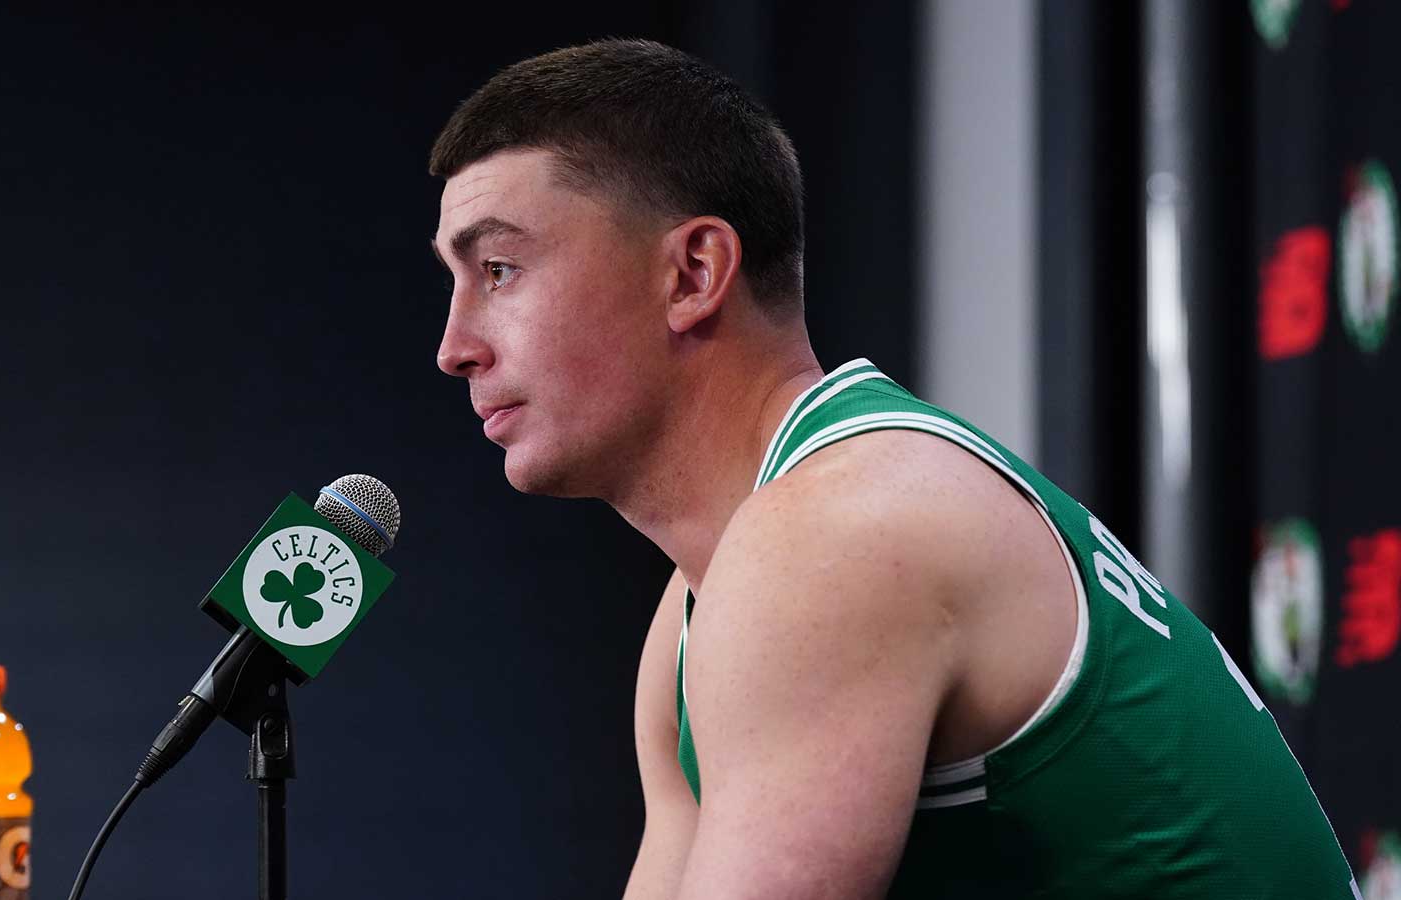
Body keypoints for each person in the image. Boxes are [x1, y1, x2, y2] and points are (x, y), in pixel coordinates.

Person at [428, 38, 1356, 899]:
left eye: (501, 270)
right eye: (455, 283)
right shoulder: (705, 599)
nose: (454, 346)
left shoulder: (836, 534)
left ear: (693, 272)